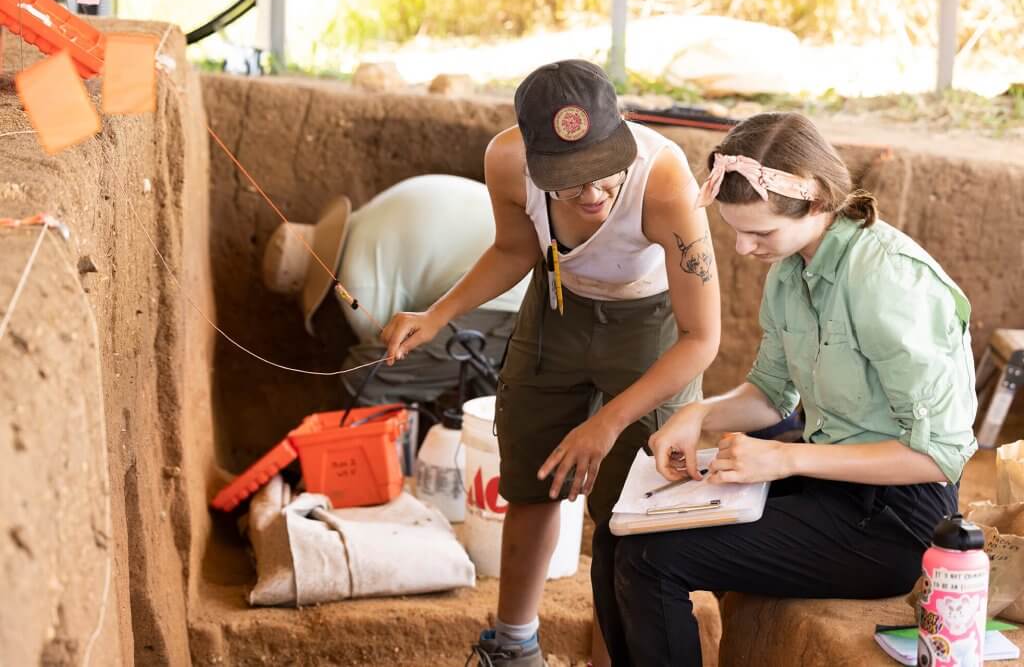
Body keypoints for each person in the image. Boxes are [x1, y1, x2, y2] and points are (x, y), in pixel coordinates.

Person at [594, 112, 978, 666]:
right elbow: (773, 395)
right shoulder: (793, 269)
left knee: (652, 558)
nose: (745, 249)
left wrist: (783, 458)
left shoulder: (887, 281)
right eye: (736, 230)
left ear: (819, 199)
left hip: (895, 521)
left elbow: (939, 456)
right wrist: (701, 414)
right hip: (829, 477)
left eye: (761, 232)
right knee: (617, 529)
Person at [381, 60, 720, 666]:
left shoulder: (664, 182)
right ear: (534, 160)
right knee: (533, 480)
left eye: (602, 174)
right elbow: (515, 248)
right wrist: (437, 314)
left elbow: (701, 338)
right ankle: (514, 648)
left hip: (652, 331)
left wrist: (607, 422)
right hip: (557, 308)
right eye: (567, 182)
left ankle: (622, 654)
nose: (591, 195)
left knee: (632, 506)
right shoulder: (505, 161)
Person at [261, 174, 528, 404]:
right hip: (532, 273)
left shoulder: (357, 283)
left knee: (364, 377)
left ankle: (387, 463)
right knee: (481, 398)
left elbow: (392, 352)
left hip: (504, 291)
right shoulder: (373, 213)